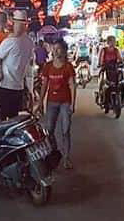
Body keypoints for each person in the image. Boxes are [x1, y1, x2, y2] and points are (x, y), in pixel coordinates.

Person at [0, 10, 35, 118]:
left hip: (5, 87)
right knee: (14, 120)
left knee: (2, 121)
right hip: (19, 88)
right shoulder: (29, 42)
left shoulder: (10, 42)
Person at [40, 39, 77, 170]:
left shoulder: (68, 67)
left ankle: (66, 158)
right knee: (49, 130)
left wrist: (73, 104)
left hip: (65, 102)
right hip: (51, 102)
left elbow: (72, 85)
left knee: (65, 131)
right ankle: (55, 152)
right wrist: (40, 101)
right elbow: (44, 85)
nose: (56, 51)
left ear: (64, 51)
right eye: (54, 49)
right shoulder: (48, 66)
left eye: (59, 49)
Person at [97, 36, 124, 106]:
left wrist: (121, 62)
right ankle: (100, 94)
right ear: (108, 42)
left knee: (121, 82)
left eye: (114, 41)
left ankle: (122, 99)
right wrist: (101, 64)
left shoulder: (116, 50)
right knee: (102, 81)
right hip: (106, 68)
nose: (113, 43)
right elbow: (100, 60)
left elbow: (120, 59)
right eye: (112, 41)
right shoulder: (104, 50)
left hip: (114, 69)